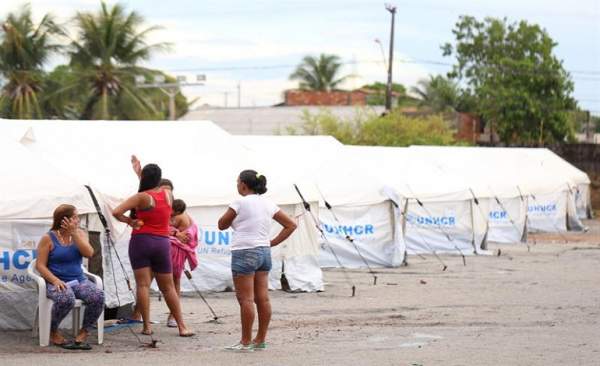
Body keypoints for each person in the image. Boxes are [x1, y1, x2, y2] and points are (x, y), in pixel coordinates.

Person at [218, 170, 297, 352]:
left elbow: (221, 225)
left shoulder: (239, 202)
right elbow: (291, 225)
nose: (237, 185)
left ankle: (245, 342)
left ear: (244, 185)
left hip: (244, 250)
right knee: (263, 298)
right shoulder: (268, 203)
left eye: (237, 182)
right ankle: (260, 340)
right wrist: (272, 242)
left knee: (246, 299)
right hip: (263, 251)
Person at [112, 163, 194, 337]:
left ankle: (147, 326)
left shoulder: (140, 197)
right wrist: (141, 175)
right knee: (169, 287)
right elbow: (156, 194)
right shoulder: (168, 194)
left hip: (141, 240)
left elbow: (116, 212)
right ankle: (182, 326)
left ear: (144, 178)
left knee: (143, 285)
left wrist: (130, 222)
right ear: (159, 178)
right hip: (162, 243)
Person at [35, 204, 105, 350]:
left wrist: (74, 234)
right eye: (75, 217)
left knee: (98, 296)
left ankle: (84, 332)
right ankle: (52, 331)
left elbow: (89, 253)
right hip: (56, 281)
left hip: (79, 280)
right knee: (66, 298)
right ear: (64, 220)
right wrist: (54, 280)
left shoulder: (80, 234)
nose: (78, 220)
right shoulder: (48, 238)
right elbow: (40, 265)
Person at [166, 198, 199, 327]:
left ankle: (173, 315)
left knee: (173, 281)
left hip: (175, 250)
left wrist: (174, 233)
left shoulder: (179, 217)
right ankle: (173, 316)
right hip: (175, 249)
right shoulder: (180, 214)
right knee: (173, 281)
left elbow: (162, 226)